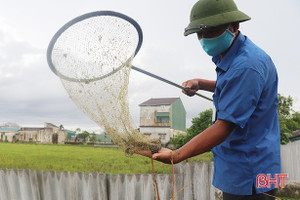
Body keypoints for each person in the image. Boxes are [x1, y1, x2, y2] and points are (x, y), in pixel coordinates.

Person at [140, 0, 281, 199]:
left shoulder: (247, 65)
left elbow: (224, 127)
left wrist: (176, 155)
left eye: (211, 31)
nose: (204, 38)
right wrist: (201, 83)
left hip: (249, 173)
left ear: (234, 26)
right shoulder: (240, 55)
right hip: (262, 165)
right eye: (200, 33)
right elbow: (238, 88)